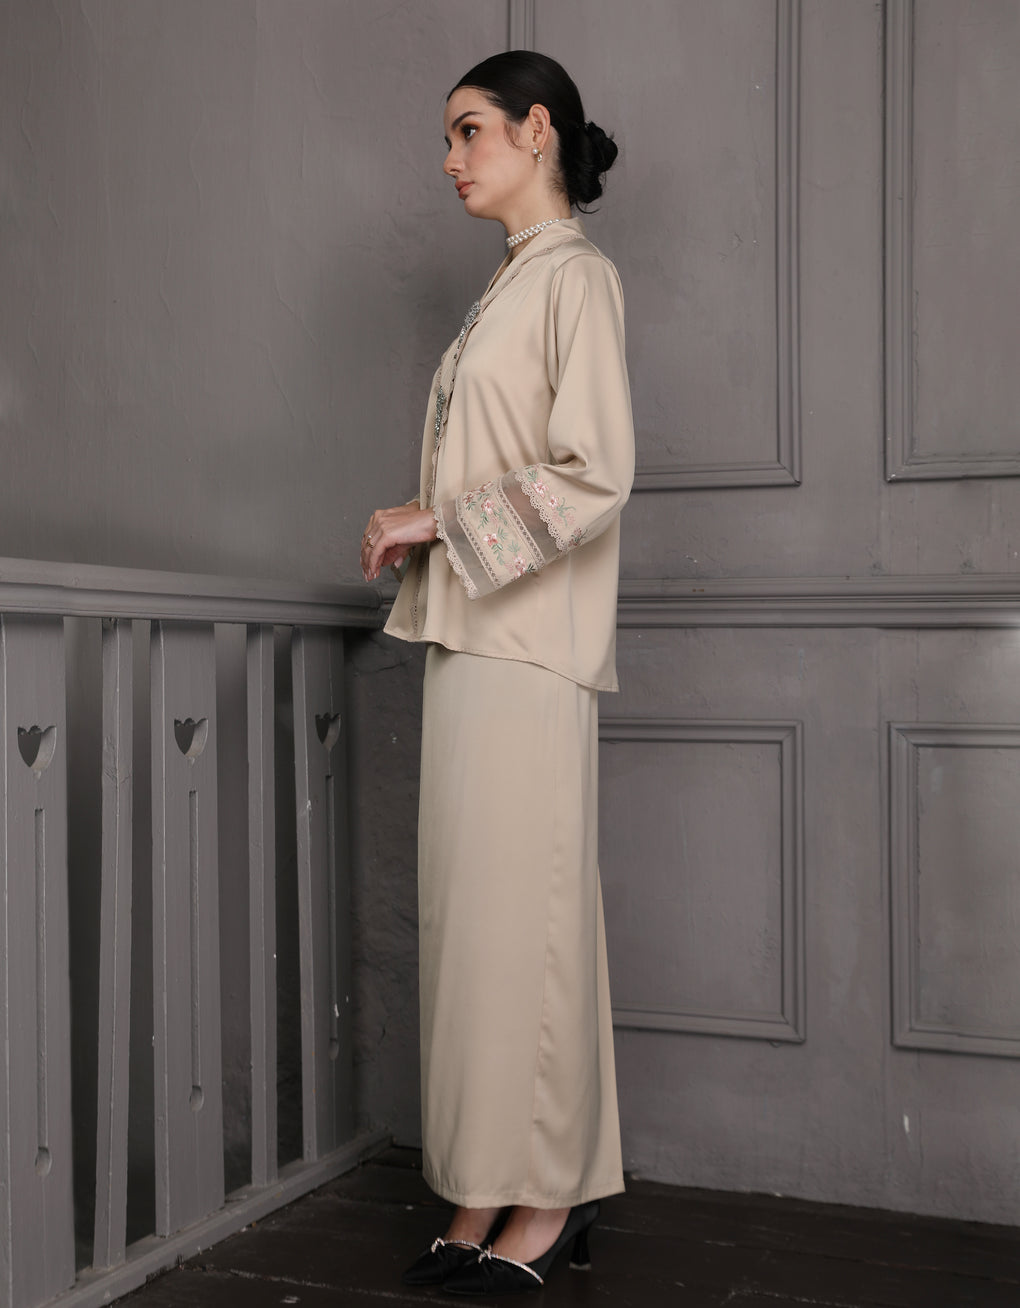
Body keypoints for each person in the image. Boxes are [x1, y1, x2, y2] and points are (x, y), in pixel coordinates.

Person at [360, 50, 634, 1296]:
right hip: (474, 638)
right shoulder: (512, 284)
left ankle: (551, 1197)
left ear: (537, 131)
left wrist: (437, 522)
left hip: (530, 650)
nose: (451, 159)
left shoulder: (577, 278)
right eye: (448, 136)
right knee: (474, 930)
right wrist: (437, 529)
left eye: (470, 131)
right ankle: (481, 1185)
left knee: (531, 927)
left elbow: (596, 472)